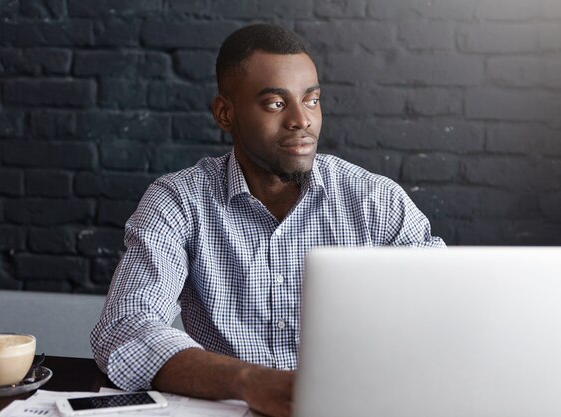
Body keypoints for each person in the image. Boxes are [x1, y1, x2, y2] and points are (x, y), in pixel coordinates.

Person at [91, 24, 445, 417]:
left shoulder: (375, 201)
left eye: (311, 100)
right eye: (276, 103)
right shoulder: (180, 201)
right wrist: (249, 382)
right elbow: (125, 328)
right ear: (225, 113)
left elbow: (449, 310)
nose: (301, 120)